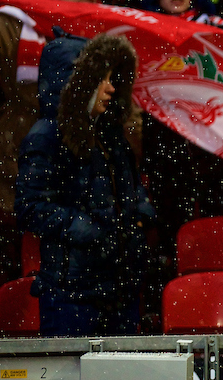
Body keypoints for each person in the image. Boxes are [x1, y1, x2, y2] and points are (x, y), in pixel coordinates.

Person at [15, 32, 153, 336]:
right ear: (77, 85)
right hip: (71, 297)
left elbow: (132, 187)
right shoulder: (46, 136)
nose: (110, 88)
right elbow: (30, 207)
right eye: (101, 80)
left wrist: (139, 216)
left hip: (118, 290)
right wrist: (89, 230)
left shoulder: (109, 134)